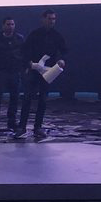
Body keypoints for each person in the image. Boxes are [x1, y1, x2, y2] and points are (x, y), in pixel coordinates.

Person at [15, 8, 68, 140]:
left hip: (48, 71)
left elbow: (64, 51)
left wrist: (61, 60)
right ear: (43, 19)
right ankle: (22, 127)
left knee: (43, 99)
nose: (52, 21)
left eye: (54, 19)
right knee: (27, 98)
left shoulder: (57, 35)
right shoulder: (34, 34)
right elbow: (25, 51)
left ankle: (38, 127)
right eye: (49, 19)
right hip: (34, 69)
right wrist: (29, 63)